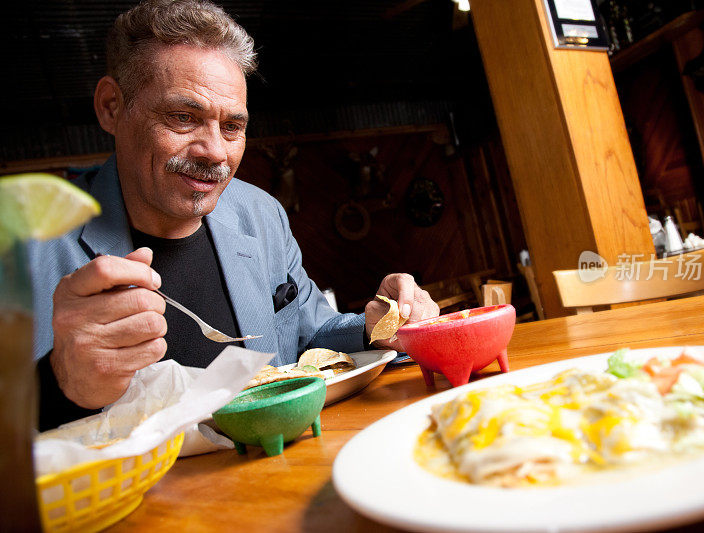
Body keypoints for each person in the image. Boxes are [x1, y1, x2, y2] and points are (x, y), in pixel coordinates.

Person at [30, 0, 439, 431]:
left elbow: (312, 334)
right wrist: (58, 385)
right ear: (112, 106)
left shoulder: (260, 214)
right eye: (183, 117)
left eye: (232, 127)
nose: (216, 152)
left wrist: (376, 325)